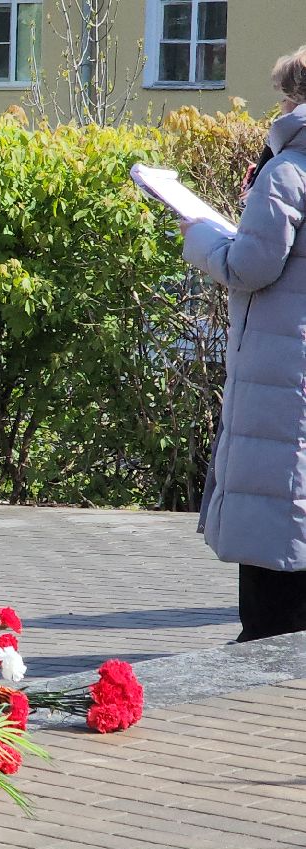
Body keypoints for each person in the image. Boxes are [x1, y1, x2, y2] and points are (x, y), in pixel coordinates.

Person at [181, 47, 306, 641]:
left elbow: (251, 265)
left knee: (273, 499)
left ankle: (267, 642)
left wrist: (202, 236)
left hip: (283, 366)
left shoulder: (290, 169)